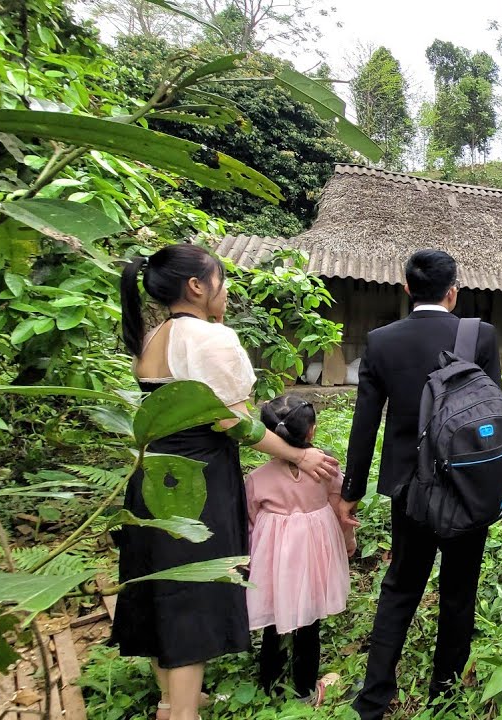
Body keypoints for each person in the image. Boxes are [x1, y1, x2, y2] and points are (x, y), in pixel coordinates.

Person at [112, 243, 340, 720]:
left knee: (159, 584)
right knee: (191, 594)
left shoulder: (154, 336)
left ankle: (173, 699)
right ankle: (183, 714)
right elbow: (236, 423)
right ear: (197, 287)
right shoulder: (212, 339)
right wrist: (298, 453)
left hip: (151, 471)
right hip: (195, 479)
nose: (226, 290)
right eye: (221, 280)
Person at [338, 249, 502, 718]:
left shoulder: (382, 341)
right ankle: (444, 694)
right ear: (454, 291)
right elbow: (491, 417)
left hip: (410, 488)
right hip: (467, 489)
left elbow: (364, 424)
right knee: (458, 589)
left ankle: (373, 699)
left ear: (406, 289)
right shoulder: (481, 337)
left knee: (401, 587)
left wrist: (351, 491)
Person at [246, 395, 356, 705]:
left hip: (274, 564)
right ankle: (306, 689)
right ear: (311, 432)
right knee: (309, 624)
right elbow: (341, 512)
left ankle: (270, 685)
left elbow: (251, 524)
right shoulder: (326, 470)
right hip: (313, 559)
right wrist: (348, 543)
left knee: (273, 621)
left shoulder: (256, 480)